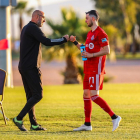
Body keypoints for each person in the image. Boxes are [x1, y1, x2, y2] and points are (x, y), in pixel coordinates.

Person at [13, 10, 69, 131]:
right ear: (37, 17)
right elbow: (47, 41)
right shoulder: (33, 28)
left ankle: (33, 124)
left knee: (31, 96)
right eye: (43, 18)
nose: (44, 20)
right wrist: (63, 39)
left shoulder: (26, 28)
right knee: (38, 95)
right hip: (30, 68)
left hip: (24, 66)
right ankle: (19, 118)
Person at [70, 10, 121, 131]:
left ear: (93, 19)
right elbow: (84, 50)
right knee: (86, 94)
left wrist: (92, 56)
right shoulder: (89, 34)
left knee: (93, 95)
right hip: (88, 69)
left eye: (87, 18)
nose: (85, 20)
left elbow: (106, 50)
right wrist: (74, 42)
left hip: (96, 69)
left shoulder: (101, 33)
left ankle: (114, 117)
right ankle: (87, 124)